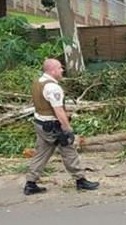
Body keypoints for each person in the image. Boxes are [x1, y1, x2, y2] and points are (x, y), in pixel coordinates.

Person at [24, 58, 98, 195]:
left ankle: (30, 183)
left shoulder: (37, 82)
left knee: (41, 153)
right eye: (60, 68)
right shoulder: (53, 87)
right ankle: (80, 180)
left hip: (40, 124)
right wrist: (68, 128)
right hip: (53, 126)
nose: (62, 70)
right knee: (69, 151)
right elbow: (58, 110)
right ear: (52, 70)